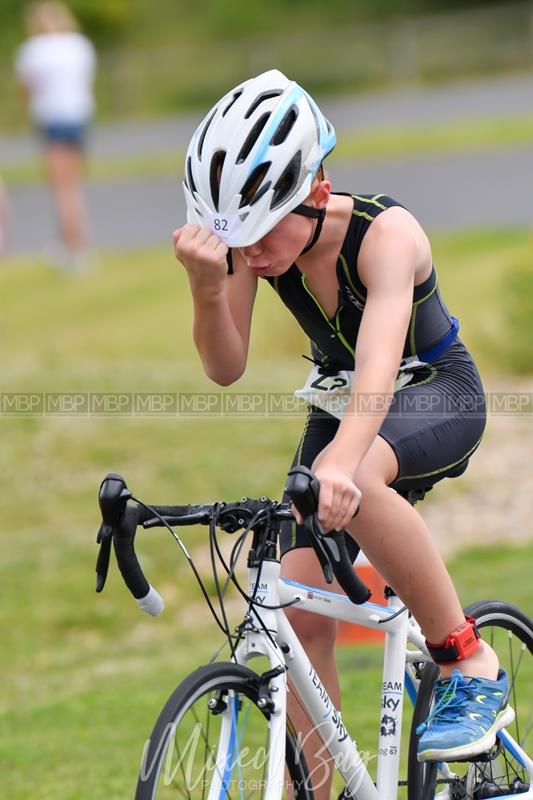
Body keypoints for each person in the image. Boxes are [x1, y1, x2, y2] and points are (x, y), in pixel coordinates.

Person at [173, 70, 513, 796]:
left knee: (354, 478)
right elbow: (224, 366)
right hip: (340, 410)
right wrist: (208, 288)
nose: (253, 254)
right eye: (238, 238)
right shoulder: (255, 251)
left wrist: (340, 462)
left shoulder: (385, 235)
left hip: (432, 392)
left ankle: (465, 659)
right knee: (294, 611)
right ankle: (316, 788)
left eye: (264, 233)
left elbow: (379, 372)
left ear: (317, 192)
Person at [15, 2, 97, 272]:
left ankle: (76, 251)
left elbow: (27, 89)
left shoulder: (33, 50)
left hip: (52, 121)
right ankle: (72, 243)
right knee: (74, 186)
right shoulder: (79, 44)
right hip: (80, 118)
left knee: (63, 191)